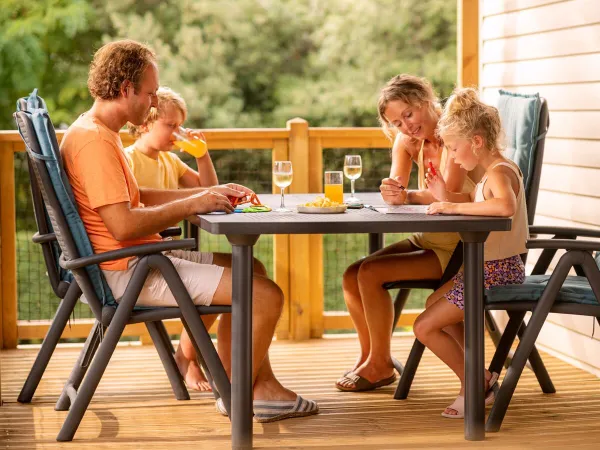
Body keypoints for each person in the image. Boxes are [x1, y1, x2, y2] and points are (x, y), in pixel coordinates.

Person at [60, 39, 318, 422]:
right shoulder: (95, 142)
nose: (152, 103)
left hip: (134, 260)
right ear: (126, 88)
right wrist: (191, 205)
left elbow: (136, 196)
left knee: (253, 270)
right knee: (266, 295)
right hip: (127, 270)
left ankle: (255, 385)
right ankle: (239, 394)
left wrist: (205, 191)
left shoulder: (97, 131)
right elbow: (123, 224)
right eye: (149, 93)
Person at [336, 74, 477, 392]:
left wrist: (408, 196)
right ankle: (370, 357)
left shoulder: (454, 134)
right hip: (429, 238)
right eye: (397, 122)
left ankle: (381, 365)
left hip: (461, 245)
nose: (406, 126)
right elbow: (397, 191)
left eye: (409, 115)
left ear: (426, 101)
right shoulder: (407, 141)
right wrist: (392, 192)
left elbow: (447, 193)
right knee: (351, 274)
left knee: (370, 272)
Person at [125, 86, 268, 392]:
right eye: (170, 126)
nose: (177, 134)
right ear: (146, 123)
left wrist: (202, 155)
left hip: (164, 249)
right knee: (235, 279)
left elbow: (208, 188)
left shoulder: (170, 162)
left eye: (180, 126)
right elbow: (136, 205)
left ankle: (223, 364)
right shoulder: (130, 160)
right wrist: (194, 198)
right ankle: (190, 358)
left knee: (250, 268)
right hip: (148, 256)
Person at [414, 87, 528, 418]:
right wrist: (444, 194)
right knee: (433, 303)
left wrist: (448, 205)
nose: (452, 155)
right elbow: (480, 203)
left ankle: (474, 382)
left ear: (476, 141)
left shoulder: (499, 172)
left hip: (497, 271)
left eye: (453, 147)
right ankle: (477, 378)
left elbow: (504, 206)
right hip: (483, 269)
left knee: (424, 327)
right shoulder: (493, 172)